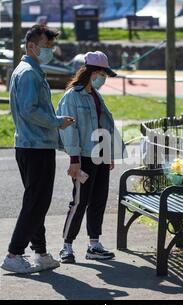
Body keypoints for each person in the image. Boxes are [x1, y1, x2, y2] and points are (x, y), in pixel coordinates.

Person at [0, 25, 74, 274]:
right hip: (36, 146)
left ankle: (40, 253)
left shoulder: (29, 70)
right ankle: (14, 253)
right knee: (35, 203)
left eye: (51, 47)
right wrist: (56, 122)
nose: (50, 51)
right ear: (31, 46)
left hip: (30, 144)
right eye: (46, 46)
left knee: (37, 202)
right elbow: (30, 110)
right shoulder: (29, 73)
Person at [57, 51, 126, 264]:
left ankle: (94, 244)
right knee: (79, 201)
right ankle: (66, 246)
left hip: (100, 156)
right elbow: (70, 130)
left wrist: (109, 154)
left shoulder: (96, 95)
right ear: (93, 72)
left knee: (98, 200)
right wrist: (74, 160)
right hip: (84, 158)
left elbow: (104, 125)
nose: (104, 79)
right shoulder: (72, 97)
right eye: (103, 74)